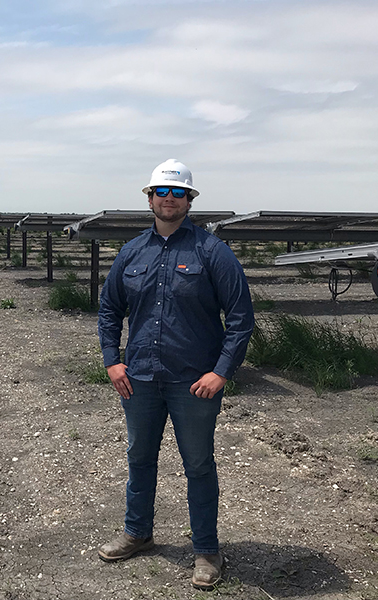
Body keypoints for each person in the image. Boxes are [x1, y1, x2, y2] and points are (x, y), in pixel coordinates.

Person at [96, 159, 254, 589]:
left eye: (179, 193)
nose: (170, 199)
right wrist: (112, 360)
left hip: (193, 384)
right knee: (139, 458)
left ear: (190, 200)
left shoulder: (211, 252)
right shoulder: (132, 252)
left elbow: (240, 317)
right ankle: (137, 533)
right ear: (149, 198)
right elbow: (110, 309)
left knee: (199, 465)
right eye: (162, 192)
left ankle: (206, 550)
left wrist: (221, 373)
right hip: (140, 378)